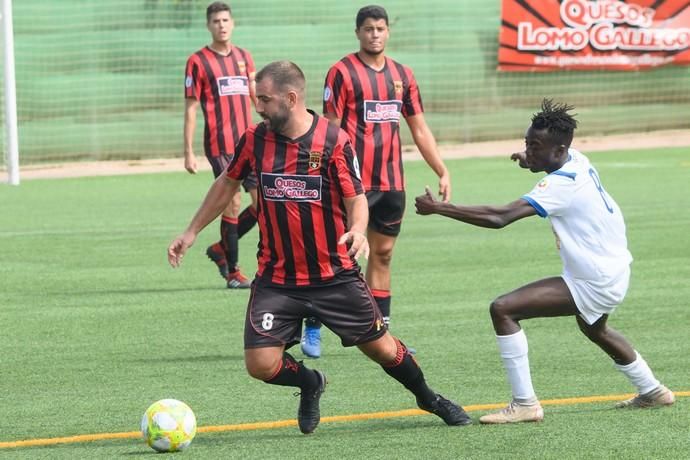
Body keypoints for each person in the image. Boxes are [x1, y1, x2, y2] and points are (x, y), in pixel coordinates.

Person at [168, 60, 472, 433]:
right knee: (260, 365)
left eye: (264, 99)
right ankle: (311, 383)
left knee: (382, 350)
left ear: (291, 98)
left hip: (335, 276)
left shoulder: (332, 141)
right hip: (277, 278)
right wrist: (191, 231)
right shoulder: (254, 139)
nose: (257, 107)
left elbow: (356, 198)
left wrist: (359, 230)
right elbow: (227, 183)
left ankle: (428, 397)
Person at [414, 99, 675, 424]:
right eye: (527, 143)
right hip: (615, 269)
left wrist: (441, 208)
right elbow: (546, 163)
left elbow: (501, 217)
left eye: (534, 146)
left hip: (594, 279)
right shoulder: (576, 159)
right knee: (595, 328)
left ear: (559, 149)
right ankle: (653, 390)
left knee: (504, 309)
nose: (528, 150)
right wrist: (530, 158)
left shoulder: (561, 185)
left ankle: (525, 404)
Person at [300, 4, 452, 358]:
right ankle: (312, 324)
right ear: (358, 32)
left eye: (380, 29)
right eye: (368, 29)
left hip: (390, 184)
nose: (375, 35)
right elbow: (330, 129)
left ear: (388, 31)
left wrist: (441, 169)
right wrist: (318, 174)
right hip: (350, 184)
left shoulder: (403, 75)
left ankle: (383, 333)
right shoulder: (341, 72)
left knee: (382, 256)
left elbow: (419, 128)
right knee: (332, 255)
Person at [183, 1, 258, 289]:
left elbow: (255, 95)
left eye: (225, 20)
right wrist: (188, 152)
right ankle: (234, 272)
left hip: (248, 142)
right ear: (209, 26)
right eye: (216, 21)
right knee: (233, 201)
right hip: (220, 144)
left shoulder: (244, 57)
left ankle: (220, 249)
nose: (222, 25)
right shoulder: (198, 61)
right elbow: (190, 107)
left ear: (233, 23)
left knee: (263, 204)